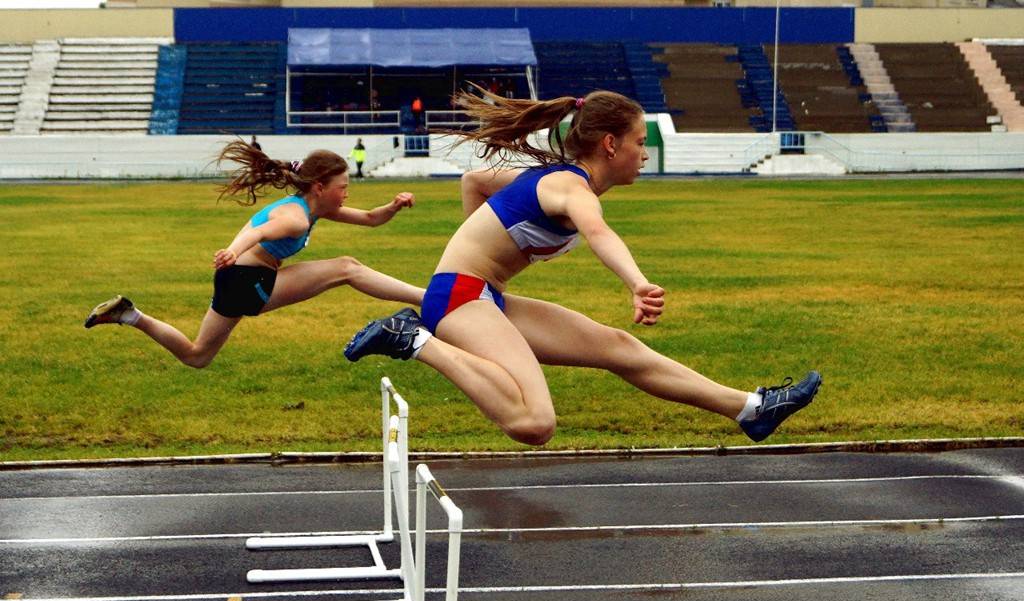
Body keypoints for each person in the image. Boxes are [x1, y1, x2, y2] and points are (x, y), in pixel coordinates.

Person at [344, 88, 821, 446]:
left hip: (480, 295)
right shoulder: (572, 189)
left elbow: (475, 180)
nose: (645, 153)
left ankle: (751, 410)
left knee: (619, 347)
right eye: (639, 142)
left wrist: (480, 246)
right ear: (611, 144)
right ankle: (414, 339)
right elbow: (599, 233)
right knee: (535, 422)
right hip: (461, 298)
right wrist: (637, 283)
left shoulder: (551, 181)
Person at [84, 140, 423, 369]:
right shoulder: (296, 217)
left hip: (238, 280)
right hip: (248, 280)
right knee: (347, 268)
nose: (347, 194)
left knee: (197, 355)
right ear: (320, 187)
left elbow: (369, 219)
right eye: (343, 187)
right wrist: (232, 251)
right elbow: (258, 231)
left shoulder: (312, 209)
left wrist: (393, 206)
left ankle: (129, 315)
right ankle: (429, 298)